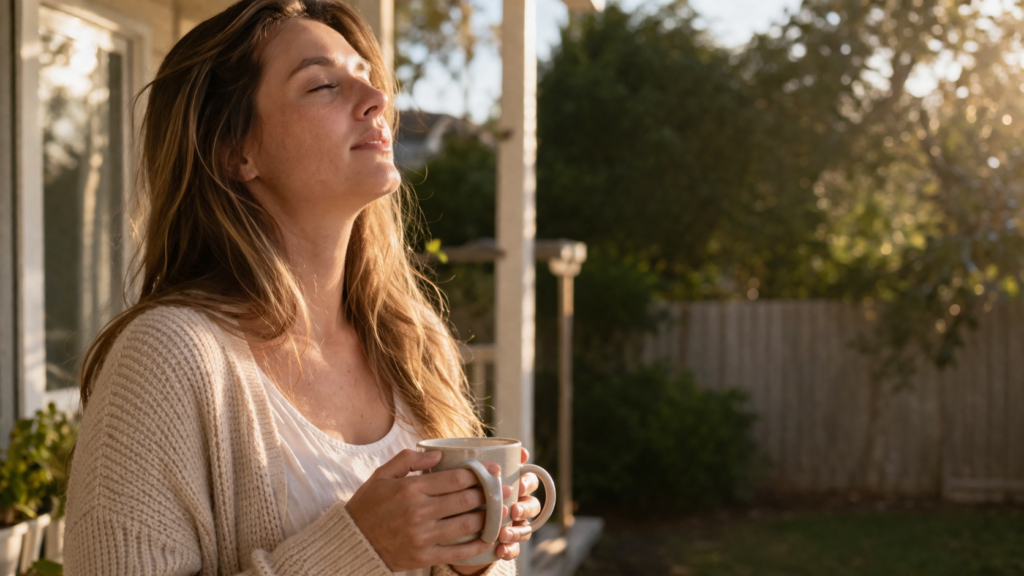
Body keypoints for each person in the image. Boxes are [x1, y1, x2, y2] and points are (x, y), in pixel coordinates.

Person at [63, 1, 542, 574]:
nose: (377, 100)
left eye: (366, 76)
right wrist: (359, 549)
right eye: (322, 86)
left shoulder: (413, 344)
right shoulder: (168, 359)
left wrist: (475, 553)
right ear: (236, 151)